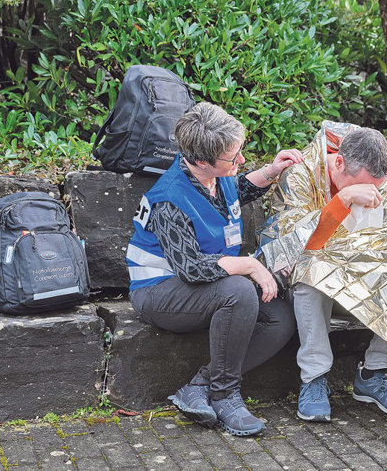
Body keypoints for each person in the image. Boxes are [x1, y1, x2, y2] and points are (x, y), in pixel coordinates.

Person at [126, 102, 303, 437]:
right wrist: (250, 265)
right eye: (233, 158)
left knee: (279, 316)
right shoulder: (169, 199)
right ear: (201, 160)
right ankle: (224, 395)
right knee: (238, 291)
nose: (240, 161)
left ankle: (199, 386)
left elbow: (236, 191)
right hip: (158, 291)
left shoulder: (213, 176)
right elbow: (191, 268)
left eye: (239, 152)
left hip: (200, 286)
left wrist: (271, 171)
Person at [259, 121, 387, 423]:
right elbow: (293, 250)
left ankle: (374, 373)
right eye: (362, 187)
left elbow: (380, 244)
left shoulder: (374, 177)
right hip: (306, 284)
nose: (371, 195)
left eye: (376, 188)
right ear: (338, 163)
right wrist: (342, 200)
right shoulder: (300, 174)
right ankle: (314, 378)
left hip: (355, 279)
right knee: (312, 268)